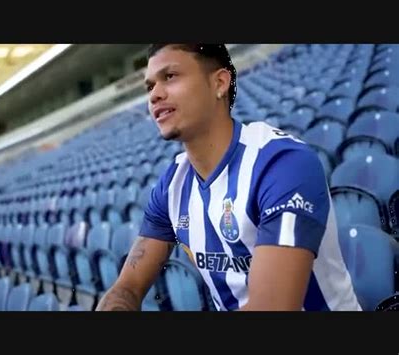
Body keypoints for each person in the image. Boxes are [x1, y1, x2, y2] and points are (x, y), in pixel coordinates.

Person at [96, 44, 362, 311]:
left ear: (220, 83)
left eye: (170, 76)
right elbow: (127, 286)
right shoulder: (172, 187)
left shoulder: (282, 164)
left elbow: (271, 308)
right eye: (149, 86)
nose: (154, 95)